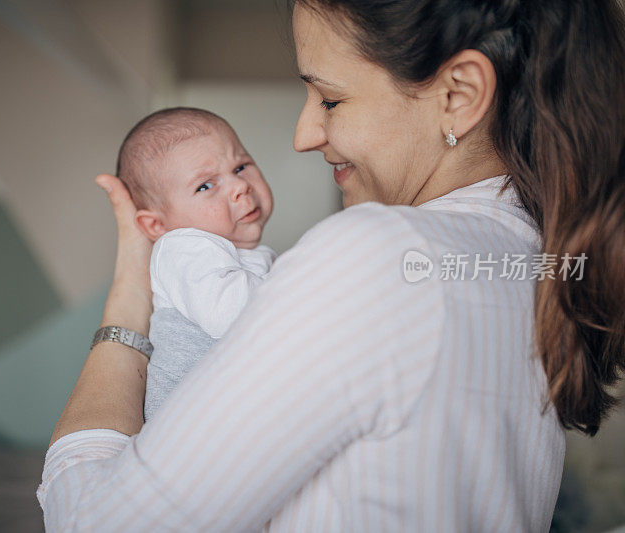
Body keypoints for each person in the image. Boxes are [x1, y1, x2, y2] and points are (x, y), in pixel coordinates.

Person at [38, 0, 625, 531]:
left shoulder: (376, 256)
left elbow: (95, 524)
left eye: (331, 99)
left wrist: (128, 294)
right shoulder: (534, 261)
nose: (303, 134)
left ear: (459, 95)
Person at [114, 107, 276, 421]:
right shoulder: (182, 247)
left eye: (241, 166)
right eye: (204, 186)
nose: (239, 186)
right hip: (187, 428)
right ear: (157, 226)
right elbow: (232, 315)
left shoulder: (239, 254)